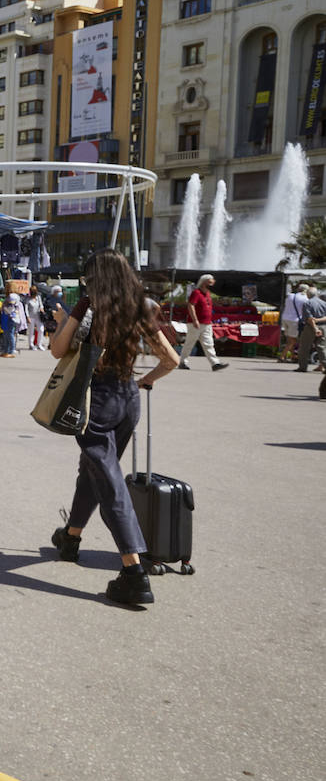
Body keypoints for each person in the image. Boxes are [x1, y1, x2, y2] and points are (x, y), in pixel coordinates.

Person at [49, 248, 181, 605]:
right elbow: (172, 359)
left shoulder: (89, 306)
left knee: (109, 483)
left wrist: (64, 321)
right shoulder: (141, 308)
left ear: (96, 279)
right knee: (94, 470)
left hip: (98, 403)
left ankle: (133, 571)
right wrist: (143, 382)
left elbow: (58, 350)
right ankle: (71, 537)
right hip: (128, 401)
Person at [176, 274, 228, 372]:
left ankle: (215, 363)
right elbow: (191, 305)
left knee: (209, 344)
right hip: (195, 323)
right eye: (210, 280)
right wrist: (195, 319)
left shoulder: (207, 293)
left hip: (207, 323)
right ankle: (182, 362)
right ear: (204, 282)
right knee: (189, 343)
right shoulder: (196, 293)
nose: (213, 282)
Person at [295, 286, 326, 373]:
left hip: (311, 328)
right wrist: (319, 320)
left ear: (308, 295)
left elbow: (309, 318)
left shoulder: (307, 304)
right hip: (324, 327)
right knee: (322, 348)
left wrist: (315, 328)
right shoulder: (324, 303)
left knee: (304, 347)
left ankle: (303, 367)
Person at [281, 283, 308, 364]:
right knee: (292, 341)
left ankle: (293, 356)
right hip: (294, 320)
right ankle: (282, 356)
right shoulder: (305, 298)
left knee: (290, 339)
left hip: (285, 318)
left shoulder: (290, 296)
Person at [0, 292, 23, 358]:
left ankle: (11, 351)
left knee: (10, 335)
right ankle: (6, 351)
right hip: (6, 319)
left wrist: (9, 312)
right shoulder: (6, 303)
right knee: (6, 335)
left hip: (12, 320)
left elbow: (13, 313)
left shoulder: (15, 306)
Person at [25, 286, 45, 351]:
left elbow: (41, 305)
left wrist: (41, 308)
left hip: (38, 316)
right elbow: (26, 309)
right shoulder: (28, 299)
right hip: (31, 317)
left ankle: (39, 344)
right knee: (31, 331)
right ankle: (31, 345)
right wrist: (27, 317)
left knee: (41, 329)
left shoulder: (38, 298)